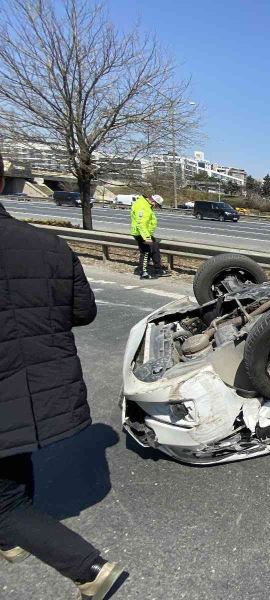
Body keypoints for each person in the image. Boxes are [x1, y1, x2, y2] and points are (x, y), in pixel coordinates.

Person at [0, 154, 125, 598]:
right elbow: (84, 312)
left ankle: (88, 568)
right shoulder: (50, 245)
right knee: (12, 450)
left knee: (2, 502)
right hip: (33, 391)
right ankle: (12, 539)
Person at [130, 193, 168, 279]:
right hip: (140, 233)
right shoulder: (143, 207)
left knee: (155, 249)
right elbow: (141, 224)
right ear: (153, 201)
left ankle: (158, 270)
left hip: (146, 233)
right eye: (157, 205)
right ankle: (144, 273)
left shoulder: (146, 205)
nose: (156, 207)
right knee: (146, 252)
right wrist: (147, 238)